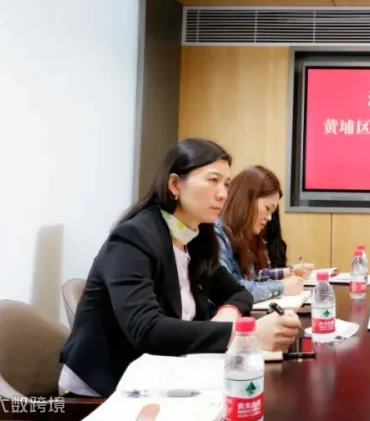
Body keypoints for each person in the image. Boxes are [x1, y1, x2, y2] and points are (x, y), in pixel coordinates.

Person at [58, 139, 302, 398]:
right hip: (108, 387)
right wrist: (243, 334)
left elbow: (238, 293)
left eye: (226, 184)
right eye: (213, 180)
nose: (223, 194)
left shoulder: (196, 239)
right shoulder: (133, 238)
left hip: (168, 370)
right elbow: (147, 330)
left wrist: (228, 313)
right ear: (175, 184)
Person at [216, 165, 314, 302]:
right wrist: (281, 287)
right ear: (246, 200)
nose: (269, 218)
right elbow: (230, 289)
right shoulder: (216, 233)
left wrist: (289, 272)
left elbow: (253, 277)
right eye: (267, 208)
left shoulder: (240, 234)